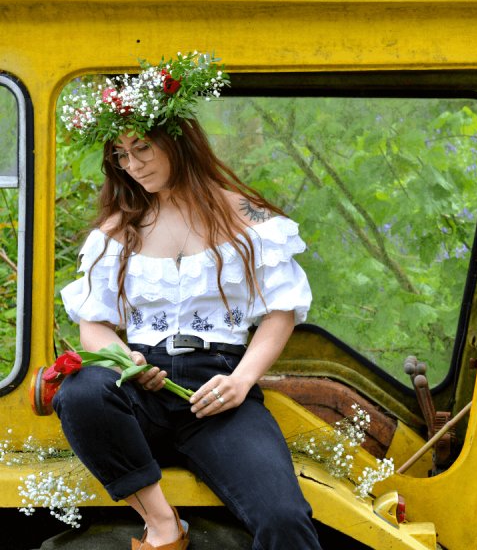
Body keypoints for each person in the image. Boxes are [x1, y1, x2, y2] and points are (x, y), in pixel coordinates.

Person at [54, 52, 323, 550]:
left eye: (142, 148)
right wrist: (125, 360)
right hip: (141, 390)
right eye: (121, 155)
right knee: (80, 390)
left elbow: (281, 311)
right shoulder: (118, 230)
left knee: (283, 516)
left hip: (219, 389)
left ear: (177, 140)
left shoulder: (247, 218)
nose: (132, 165)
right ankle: (162, 525)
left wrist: (242, 381)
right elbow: (93, 322)